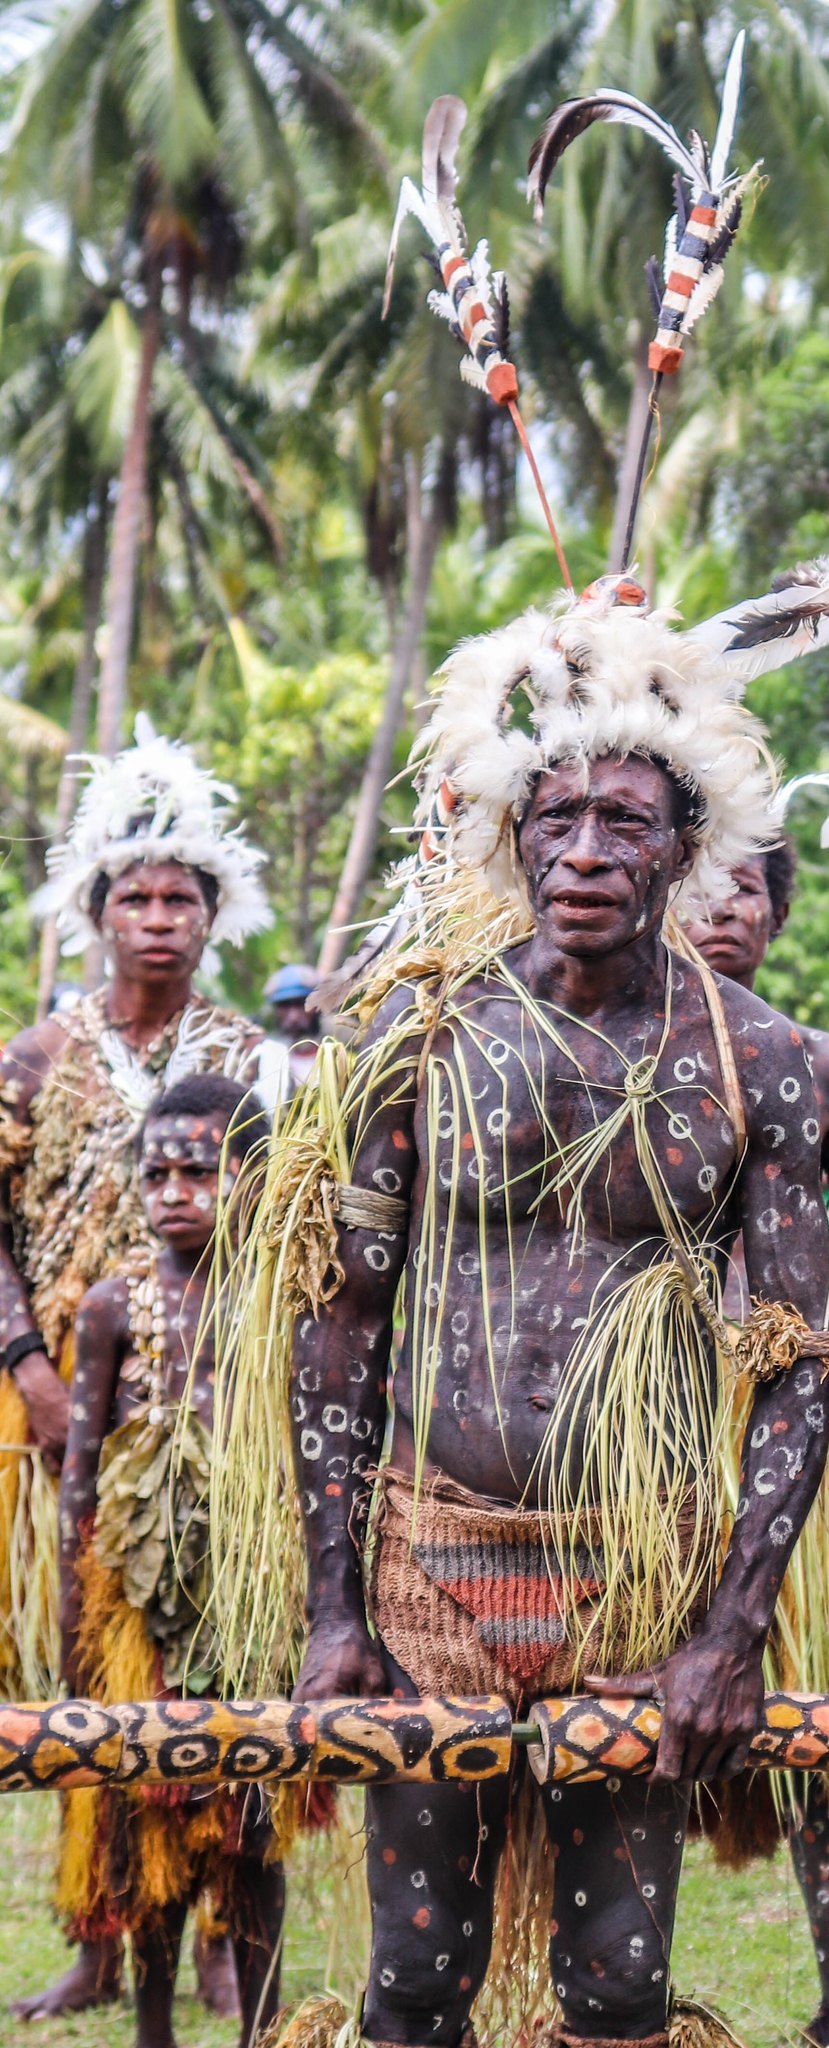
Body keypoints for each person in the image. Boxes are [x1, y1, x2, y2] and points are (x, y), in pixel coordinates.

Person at [249, 576, 829, 2048]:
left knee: (618, 1978)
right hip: (431, 1563)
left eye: (625, 825)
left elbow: (801, 1364)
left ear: (685, 850)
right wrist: (336, 1608)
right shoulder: (425, 1032)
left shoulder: (756, 1063)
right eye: (556, 823)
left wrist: (729, 1630)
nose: (585, 854)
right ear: (511, 839)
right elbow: (342, 1321)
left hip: (633, 1578)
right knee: (412, 1977)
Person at [0, 721, 269, 2026]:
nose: (157, 919)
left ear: (213, 917)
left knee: (219, 1665)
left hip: (219, 1406)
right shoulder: (39, 1054)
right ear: (95, 913)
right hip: (61, 1398)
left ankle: (220, 1926)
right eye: (134, 898)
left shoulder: (245, 1062)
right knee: (90, 1669)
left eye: (180, 899)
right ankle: (102, 1936)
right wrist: (27, 1369)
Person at [684, 831, 829, 2045]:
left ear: (777, 912)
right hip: (652, 1438)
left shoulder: (817, 1065)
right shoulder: (615, 1057)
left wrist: (826, 1333)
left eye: (750, 889)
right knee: (640, 1723)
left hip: (791, 1437)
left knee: (815, 1729)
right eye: (705, 882)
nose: (724, 907)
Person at [58, 1075, 320, 2048]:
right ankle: (153, 2029)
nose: (175, 1189)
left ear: (248, 1176)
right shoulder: (109, 1306)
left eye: (199, 1169)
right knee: (148, 1823)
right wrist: (70, 1629)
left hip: (254, 1601)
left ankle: (262, 2027)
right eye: (156, 1171)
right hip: (135, 1613)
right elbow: (79, 1480)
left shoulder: (289, 1296)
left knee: (254, 1821)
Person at [253, 963, 323, 1105]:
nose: (293, 1017)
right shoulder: (267, 1053)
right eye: (285, 1005)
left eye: (301, 1004)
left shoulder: (342, 1042)